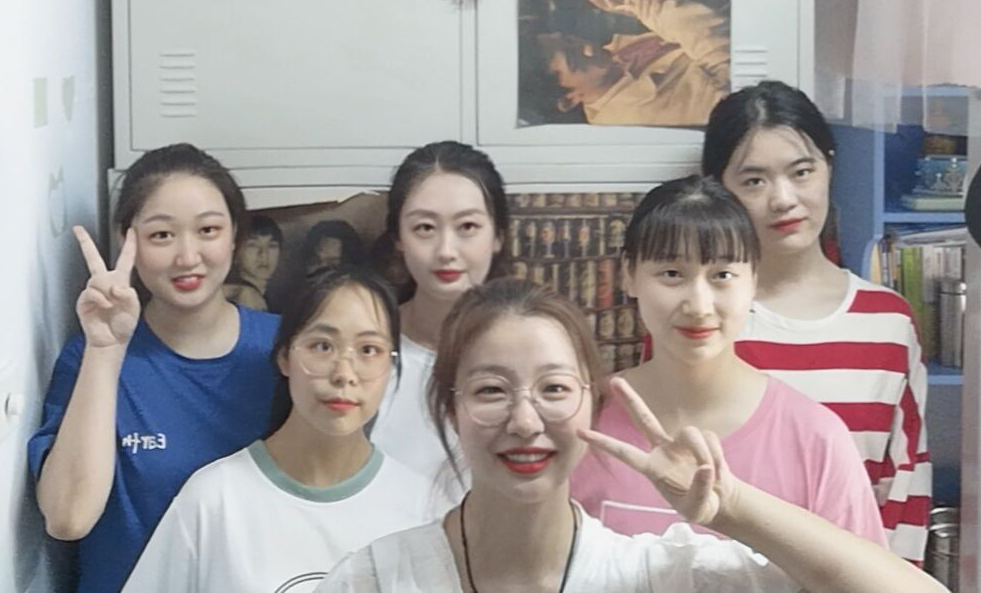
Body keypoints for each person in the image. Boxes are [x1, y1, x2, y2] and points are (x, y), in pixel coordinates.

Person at [316, 279, 943, 592]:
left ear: (591, 406)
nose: (525, 421)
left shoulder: (651, 573)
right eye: (490, 391)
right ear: (449, 408)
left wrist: (731, 507)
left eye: (554, 388)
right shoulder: (379, 578)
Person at [570, 175, 886, 546]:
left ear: (754, 279)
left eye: (722, 275)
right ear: (629, 275)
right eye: (672, 274)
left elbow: (864, 573)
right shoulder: (581, 422)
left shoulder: (815, 438)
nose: (699, 306)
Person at [27, 143, 284, 593]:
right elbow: (68, 518)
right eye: (162, 235)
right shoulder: (91, 355)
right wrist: (107, 351)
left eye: (208, 230)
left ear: (235, 236)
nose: (188, 257)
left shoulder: (287, 349)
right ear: (127, 240)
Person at [703, 80, 931, 563]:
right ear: (720, 189)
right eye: (754, 181)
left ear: (829, 165)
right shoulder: (701, 318)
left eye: (801, 172)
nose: (783, 199)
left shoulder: (888, 322)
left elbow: (904, 488)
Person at [124, 267, 435, 592]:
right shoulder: (215, 500)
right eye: (322, 346)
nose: (344, 373)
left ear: (391, 366)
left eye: (368, 350)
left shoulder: (423, 508)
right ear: (285, 356)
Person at [368, 140, 509, 501]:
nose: (446, 251)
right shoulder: (364, 349)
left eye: (467, 227)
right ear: (398, 238)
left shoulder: (527, 351)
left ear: (498, 235)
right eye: (425, 228)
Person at [539, 0, 729, 126]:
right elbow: (735, 84)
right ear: (569, 100)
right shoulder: (641, 116)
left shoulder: (611, 62)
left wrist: (632, 1)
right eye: (574, 62)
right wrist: (662, 10)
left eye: (570, 40)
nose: (589, 48)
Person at [223, 214, 282, 311]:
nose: (264, 254)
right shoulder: (247, 296)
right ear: (235, 252)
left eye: (272, 246)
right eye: (253, 245)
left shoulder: (261, 295)